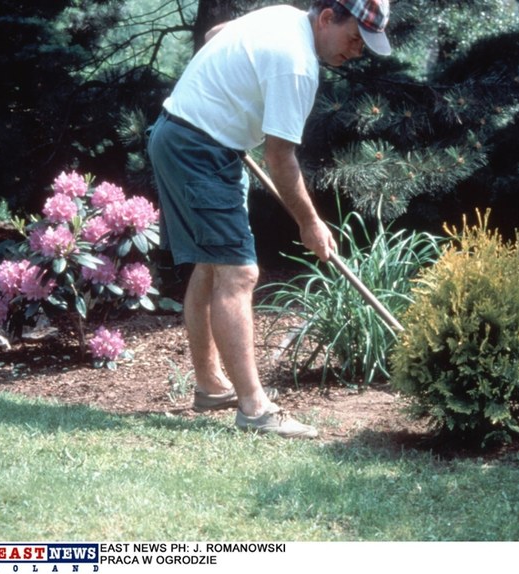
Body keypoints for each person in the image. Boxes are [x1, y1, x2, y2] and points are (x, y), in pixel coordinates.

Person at [147, 1, 391, 438]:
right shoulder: (296, 64)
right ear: (327, 18)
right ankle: (255, 408)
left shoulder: (282, 16)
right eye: (355, 38)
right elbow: (279, 158)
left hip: (194, 139)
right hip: (199, 148)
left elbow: (215, 35)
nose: (356, 53)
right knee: (239, 273)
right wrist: (310, 223)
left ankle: (209, 386)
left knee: (214, 264)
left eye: (364, 46)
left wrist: (230, 97)